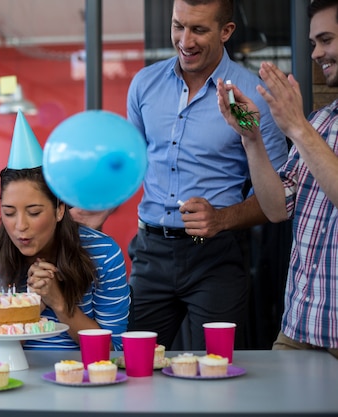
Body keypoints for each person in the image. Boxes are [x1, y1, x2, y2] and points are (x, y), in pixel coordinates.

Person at [107, 0, 289, 350]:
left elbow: (280, 197)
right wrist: (96, 208)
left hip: (217, 258)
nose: (185, 41)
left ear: (226, 31)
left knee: (215, 372)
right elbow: (130, 166)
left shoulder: (253, 96)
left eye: (199, 30)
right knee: (135, 366)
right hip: (151, 253)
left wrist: (222, 218)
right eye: (178, 26)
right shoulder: (144, 85)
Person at [216, 0, 338, 359]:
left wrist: (296, 127)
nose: (316, 53)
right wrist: (250, 137)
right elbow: (275, 209)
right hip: (299, 327)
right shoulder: (322, 122)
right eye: (313, 42)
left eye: (326, 39)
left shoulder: (307, 127)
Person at [0, 112, 130, 350]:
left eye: (34, 212)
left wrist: (59, 304)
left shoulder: (103, 253)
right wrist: (31, 305)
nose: (20, 226)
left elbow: (114, 349)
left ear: (59, 210)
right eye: (9, 212)